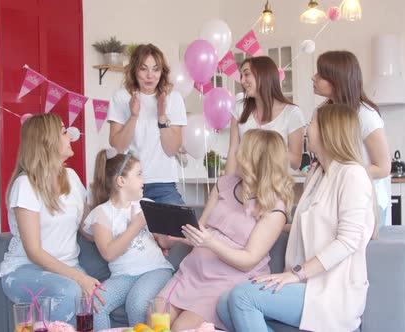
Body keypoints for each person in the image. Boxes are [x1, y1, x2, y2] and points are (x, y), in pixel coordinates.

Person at [217, 104, 377, 332]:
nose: (305, 129)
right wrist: (269, 224)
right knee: (224, 304)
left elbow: (347, 241)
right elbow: (313, 226)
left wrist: (296, 273)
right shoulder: (317, 173)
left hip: (331, 290)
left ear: (327, 131)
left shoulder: (352, 174)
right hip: (305, 283)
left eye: (311, 123)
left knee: (242, 298)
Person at [154, 129, 295, 331]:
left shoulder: (274, 208)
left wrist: (210, 242)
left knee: (181, 329)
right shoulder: (225, 184)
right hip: (193, 271)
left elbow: (248, 260)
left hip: (228, 280)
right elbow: (201, 227)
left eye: (242, 150)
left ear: (256, 160)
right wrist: (179, 234)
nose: (236, 154)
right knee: (156, 320)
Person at [0, 113, 105, 325]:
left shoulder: (72, 177)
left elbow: (87, 229)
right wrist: (79, 278)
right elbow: (34, 252)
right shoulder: (25, 185)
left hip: (69, 269)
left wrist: (124, 224)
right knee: (68, 291)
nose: (71, 136)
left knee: (101, 304)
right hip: (25, 271)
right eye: (64, 132)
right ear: (48, 141)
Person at [82, 148, 174, 329]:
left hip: (155, 270)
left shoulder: (146, 205)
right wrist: (135, 226)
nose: (143, 180)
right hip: (123, 276)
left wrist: (171, 235)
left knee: (137, 303)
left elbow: (163, 241)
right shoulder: (101, 213)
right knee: (96, 304)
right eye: (139, 174)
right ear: (121, 181)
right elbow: (109, 253)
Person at [312, 50, 391, 226]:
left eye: (320, 74)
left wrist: (342, 174)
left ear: (336, 80)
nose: (313, 77)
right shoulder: (320, 112)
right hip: (336, 201)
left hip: (365, 204)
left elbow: (383, 168)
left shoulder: (366, 115)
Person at [108, 43, 187, 205]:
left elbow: (172, 149)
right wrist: (133, 116)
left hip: (163, 184)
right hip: (130, 183)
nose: (150, 75)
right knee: (131, 229)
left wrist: (162, 116)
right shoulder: (121, 97)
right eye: (144, 69)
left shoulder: (173, 98)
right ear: (134, 70)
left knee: (183, 228)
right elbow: (118, 148)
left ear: (162, 72)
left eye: (155, 69)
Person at [225, 56, 305, 174]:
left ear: (263, 76)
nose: (242, 81)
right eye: (241, 76)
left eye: (246, 74)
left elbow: (296, 162)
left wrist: (266, 149)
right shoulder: (239, 109)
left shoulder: (292, 113)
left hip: (275, 187)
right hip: (244, 186)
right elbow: (233, 152)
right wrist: (226, 188)